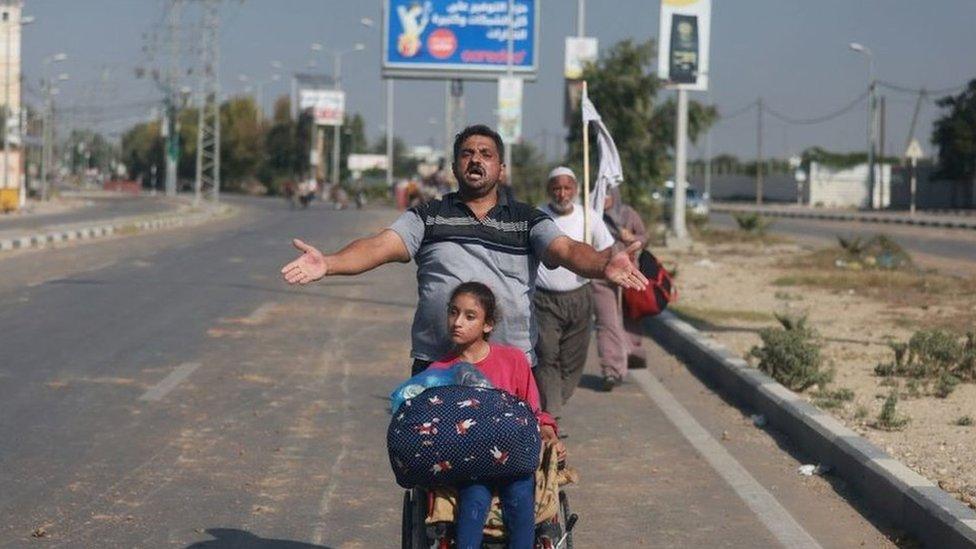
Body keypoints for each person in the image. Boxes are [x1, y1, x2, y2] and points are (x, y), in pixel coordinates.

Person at [280, 124, 647, 376]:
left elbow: (565, 249)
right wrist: (328, 263)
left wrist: (602, 263)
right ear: (455, 166)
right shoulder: (428, 216)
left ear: (501, 169)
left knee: (513, 473)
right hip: (437, 364)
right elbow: (378, 246)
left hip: (509, 365)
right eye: (467, 153)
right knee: (429, 468)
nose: (476, 159)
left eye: (486, 154)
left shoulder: (527, 220)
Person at [426, 282, 564, 548]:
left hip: (514, 456)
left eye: (469, 316)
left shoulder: (513, 361)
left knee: (520, 496)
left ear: (487, 325)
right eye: (453, 312)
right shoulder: (440, 370)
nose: (457, 322)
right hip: (470, 461)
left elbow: (532, 411)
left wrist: (548, 432)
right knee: (474, 501)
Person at [533, 167, 615, 418]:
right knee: (546, 355)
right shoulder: (537, 217)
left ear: (575, 190)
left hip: (579, 297)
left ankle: (556, 399)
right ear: (549, 190)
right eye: (556, 188)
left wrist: (599, 262)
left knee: (573, 360)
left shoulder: (588, 217)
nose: (562, 193)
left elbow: (607, 250)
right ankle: (551, 411)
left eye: (567, 188)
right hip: (543, 300)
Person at [592, 187, 649, 390]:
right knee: (607, 322)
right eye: (600, 193)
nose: (604, 198)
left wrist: (633, 239)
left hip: (628, 276)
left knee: (628, 319)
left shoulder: (627, 214)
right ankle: (612, 370)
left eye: (608, 194)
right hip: (600, 277)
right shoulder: (591, 215)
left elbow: (644, 236)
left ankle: (632, 352)